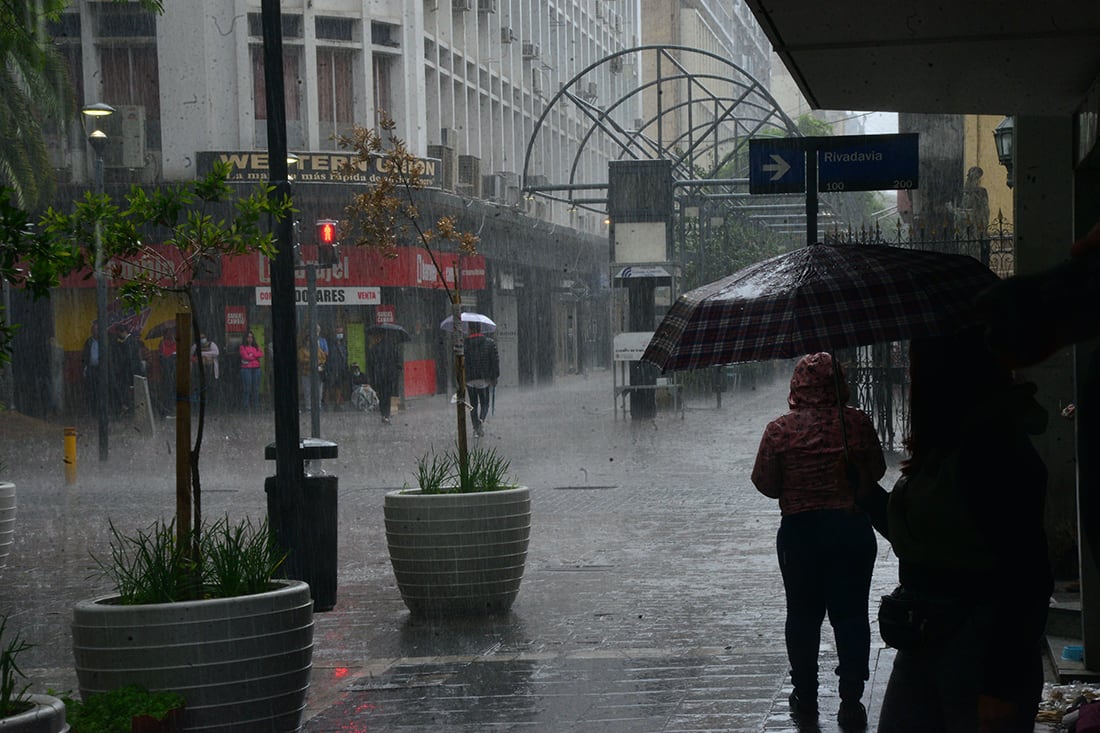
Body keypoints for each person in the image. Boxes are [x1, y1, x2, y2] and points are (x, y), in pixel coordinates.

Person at [855, 329, 1052, 732]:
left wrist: (999, 683)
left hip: (978, 653)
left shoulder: (993, 451)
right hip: (926, 642)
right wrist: (865, 494)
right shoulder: (949, 447)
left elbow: (1027, 574)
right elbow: (929, 539)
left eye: (916, 368)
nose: (909, 379)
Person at [751, 352, 885, 729]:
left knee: (803, 613)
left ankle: (805, 692)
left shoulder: (779, 430)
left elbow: (764, 481)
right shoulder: (855, 423)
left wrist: (795, 484)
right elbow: (875, 471)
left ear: (796, 385)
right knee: (851, 613)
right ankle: (851, 696)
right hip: (850, 530)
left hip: (800, 535)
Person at [463, 322, 499, 437]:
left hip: (470, 379)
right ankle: (480, 423)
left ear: (470, 329)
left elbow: (461, 362)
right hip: (484, 379)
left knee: (473, 405)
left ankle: (475, 427)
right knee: (485, 404)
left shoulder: (464, 344)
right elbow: (495, 361)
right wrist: (494, 377)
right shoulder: (490, 343)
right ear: (480, 329)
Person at [367, 330, 401, 425]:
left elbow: (371, 364)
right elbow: (398, 363)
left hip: (380, 376)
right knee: (390, 395)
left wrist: (372, 377)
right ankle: (388, 414)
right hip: (390, 376)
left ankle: (384, 414)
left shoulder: (375, 348)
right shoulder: (393, 347)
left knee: (382, 396)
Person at [297, 332, 326, 412]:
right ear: (305, 341)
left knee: (319, 390)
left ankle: (318, 406)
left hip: (318, 372)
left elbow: (323, 358)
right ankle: (308, 407)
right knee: (308, 390)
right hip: (307, 372)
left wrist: (319, 362)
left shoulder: (317, 349)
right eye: (308, 340)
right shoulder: (302, 350)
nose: (309, 342)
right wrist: (312, 361)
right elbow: (301, 359)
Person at [191, 332, 220, 409]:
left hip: (210, 370)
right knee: (199, 387)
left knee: (210, 386)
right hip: (198, 371)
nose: (202, 340)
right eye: (200, 338)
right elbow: (191, 355)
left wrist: (202, 353)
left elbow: (216, 353)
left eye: (203, 337)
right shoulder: (195, 346)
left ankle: (211, 403)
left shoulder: (212, 344)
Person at [325, 325, 349, 410]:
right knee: (328, 386)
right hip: (331, 368)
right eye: (338, 332)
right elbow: (327, 356)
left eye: (341, 332)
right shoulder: (330, 343)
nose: (340, 334)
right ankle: (326, 404)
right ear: (335, 333)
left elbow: (346, 355)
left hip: (341, 368)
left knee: (339, 386)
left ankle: (337, 404)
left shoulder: (344, 343)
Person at [239, 330, 263, 411]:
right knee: (247, 388)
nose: (250, 339)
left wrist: (252, 355)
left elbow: (261, 353)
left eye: (251, 337)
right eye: (248, 337)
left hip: (256, 368)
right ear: (245, 338)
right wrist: (255, 357)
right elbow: (245, 356)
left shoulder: (256, 346)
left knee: (255, 388)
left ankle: (256, 405)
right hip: (246, 369)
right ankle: (246, 406)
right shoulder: (242, 346)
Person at [81, 321, 101, 415]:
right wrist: (85, 367)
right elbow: (85, 355)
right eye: (93, 329)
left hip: (101, 369)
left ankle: (101, 409)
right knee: (91, 390)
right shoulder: (89, 342)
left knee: (101, 389)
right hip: (91, 368)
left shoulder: (104, 341)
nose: (95, 331)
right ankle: (93, 410)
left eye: (96, 329)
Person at [158, 329, 177, 416]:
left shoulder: (175, 344)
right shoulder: (163, 344)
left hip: (173, 369)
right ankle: (168, 407)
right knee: (168, 388)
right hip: (168, 369)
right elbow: (162, 355)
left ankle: (170, 406)